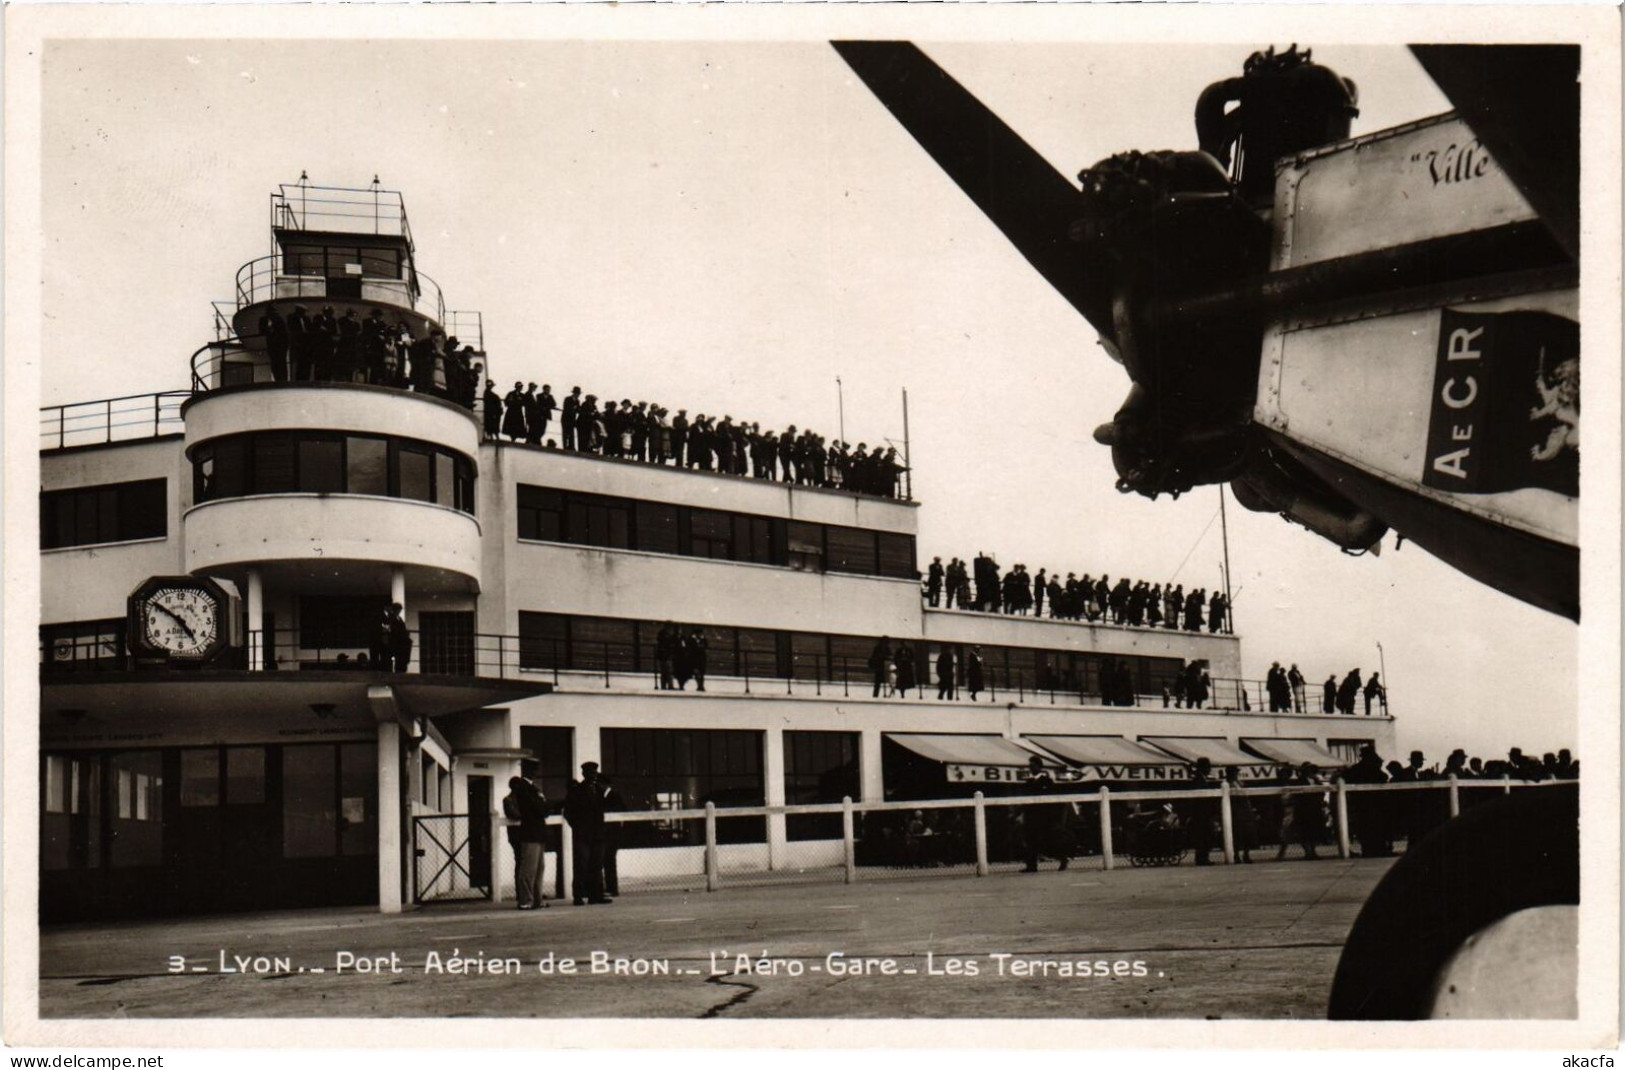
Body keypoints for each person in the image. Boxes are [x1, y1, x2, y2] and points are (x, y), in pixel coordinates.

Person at [564, 762, 612, 905]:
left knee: (597, 865)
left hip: (598, 834)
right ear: (584, 774)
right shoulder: (576, 790)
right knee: (581, 865)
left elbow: (607, 808)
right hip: (583, 835)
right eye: (590, 773)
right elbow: (568, 812)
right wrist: (577, 827)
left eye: (594, 773)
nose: (593, 776)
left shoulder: (600, 790)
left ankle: (595, 895)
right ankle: (578, 896)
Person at [503, 775, 550, 910]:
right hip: (523, 835)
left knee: (532, 867)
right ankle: (525, 898)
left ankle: (532, 898)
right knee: (526, 867)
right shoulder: (512, 799)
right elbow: (517, 814)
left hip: (526, 834)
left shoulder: (518, 798)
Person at [599, 775, 626, 898]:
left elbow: (622, 811)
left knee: (609, 860)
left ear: (605, 785)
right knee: (606, 860)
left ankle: (612, 888)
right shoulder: (602, 796)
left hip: (612, 834)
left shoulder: (614, 796)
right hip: (605, 834)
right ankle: (608, 887)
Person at [1225, 766, 1258, 863]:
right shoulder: (1227, 784)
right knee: (1237, 835)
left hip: (1245, 812)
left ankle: (1246, 854)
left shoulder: (1240, 783)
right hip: (1235, 812)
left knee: (1247, 833)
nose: (1236, 774)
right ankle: (1236, 855)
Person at [385, 602, 412, 672]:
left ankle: (402, 669)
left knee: (403, 658)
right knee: (399, 658)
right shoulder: (391, 618)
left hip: (402, 641)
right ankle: (399, 670)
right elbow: (393, 629)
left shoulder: (399, 618)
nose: (399, 611)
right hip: (397, 641)